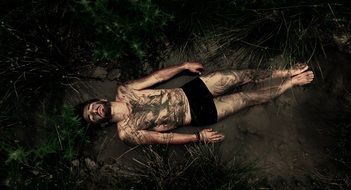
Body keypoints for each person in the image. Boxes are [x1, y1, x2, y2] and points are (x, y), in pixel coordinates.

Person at [77, 62, 314, 145]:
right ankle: (290, 84)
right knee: (246, 98)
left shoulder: (125, 91)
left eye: (92, 108)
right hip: (197, 115)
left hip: (188, 91)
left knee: (236, 77)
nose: (95, 112)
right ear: (100, 123)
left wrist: (182, 67)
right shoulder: (126, 132)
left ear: (98, 101)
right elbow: (162, 138)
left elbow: (157, 78)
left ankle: (285, 71)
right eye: (92, 117)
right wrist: (198, 138)